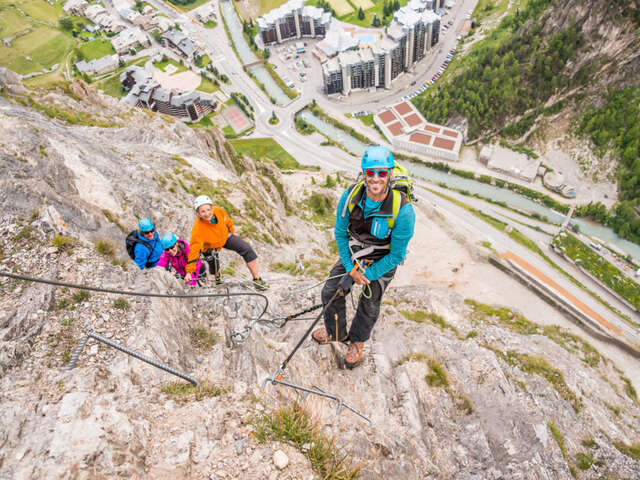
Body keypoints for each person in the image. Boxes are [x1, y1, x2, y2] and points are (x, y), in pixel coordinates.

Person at [312, 146, 415, 369]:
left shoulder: (403, 210)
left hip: (383, 258)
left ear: (389, 174)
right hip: (356, 252)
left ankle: (357, 341)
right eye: (371, 172)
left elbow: (397, 254)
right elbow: (340, 233)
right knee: (331, 290)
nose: (376, 178)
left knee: (370, 301)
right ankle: (336, 333)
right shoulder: (351, 195)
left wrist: (366, 275)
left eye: (381, 172)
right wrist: (350, 270)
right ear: (364, 173)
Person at [184, 195, 269, 290]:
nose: (207, 213)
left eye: (208, 209)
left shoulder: (218, 211)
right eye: (203, 211)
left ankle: (257, 279)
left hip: (224, 237)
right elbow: (194, 250)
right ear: (198, 214)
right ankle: (217, 278)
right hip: (209, 246)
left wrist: (232, 232)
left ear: (212, 208)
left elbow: (226, 220)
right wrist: (189, 272)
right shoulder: (198, 229)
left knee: (247, 250)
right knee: (214, 265)